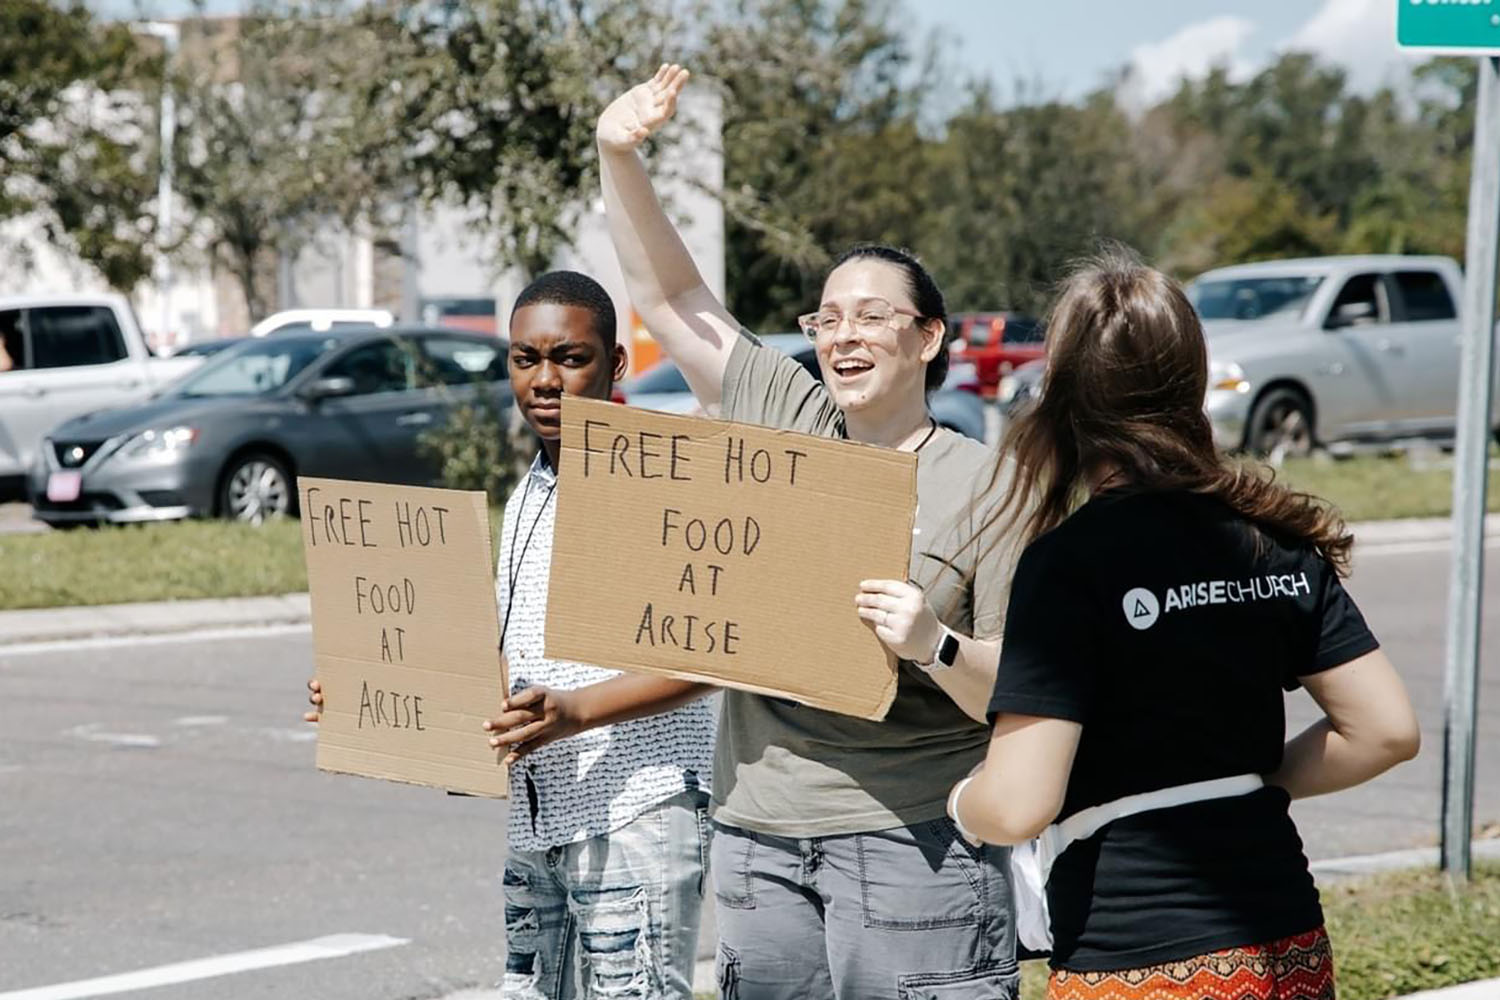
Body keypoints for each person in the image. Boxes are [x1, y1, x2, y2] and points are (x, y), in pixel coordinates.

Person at [597, 66, 1024, 1000]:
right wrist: (618, 154)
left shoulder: (989, 485)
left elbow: (1024, 690)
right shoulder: (781, 413)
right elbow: (668, 298)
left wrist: (934, 643)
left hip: (916, 841)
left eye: (873, 316)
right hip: (757, 841)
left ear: (931, 338)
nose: (843, 335)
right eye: (826, 318)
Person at [949, 250, 1421, 1000]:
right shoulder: (1273, 539)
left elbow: (1016, 804)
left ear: (1066, 395)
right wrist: (1255, 781)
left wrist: (962, 799)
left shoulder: (1068, 564)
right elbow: (1386, 729)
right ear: (1193, 381)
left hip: (1132, 956)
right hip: (1284, 939)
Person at [308, 270, 717, 1000]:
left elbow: (716, 656)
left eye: (571, 358)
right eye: (526, 360)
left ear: (616, 365)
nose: (546, 380)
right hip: (540, 812)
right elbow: (509, 655)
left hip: (636, 812)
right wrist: (377, 687)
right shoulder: (533, 486)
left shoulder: (662, 479)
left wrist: (577, 713)